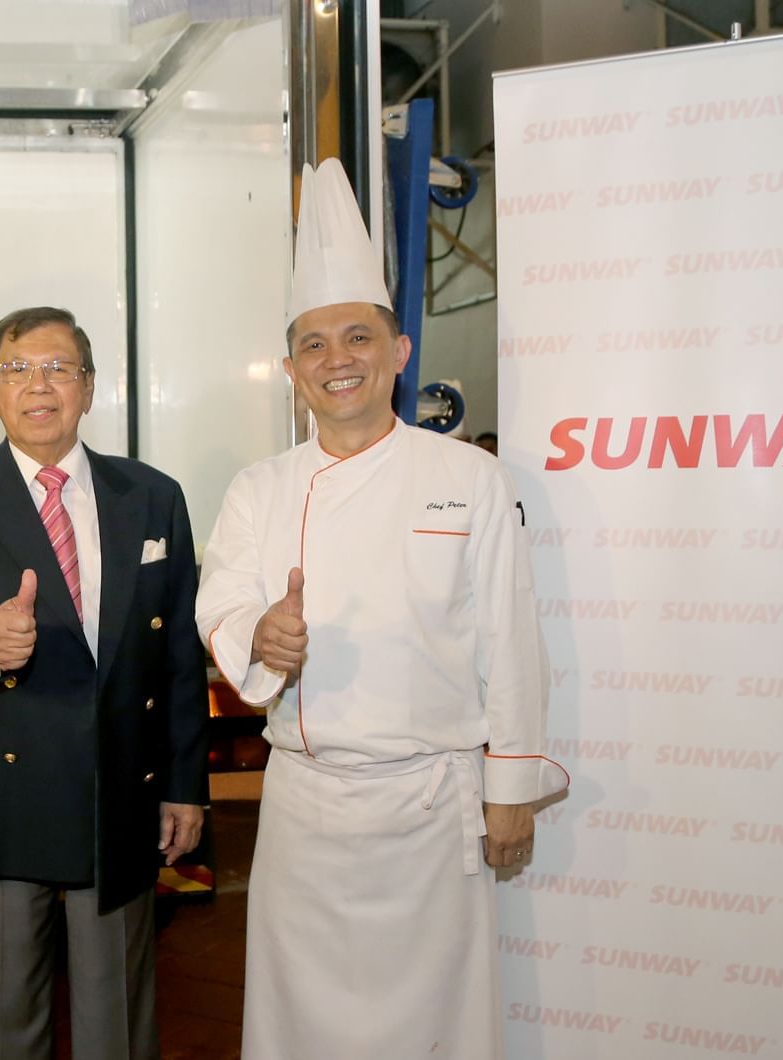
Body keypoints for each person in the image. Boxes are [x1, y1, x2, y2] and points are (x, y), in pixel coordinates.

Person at [196, 159, 569, 1059]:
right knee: (301, 1025)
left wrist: (510, 790)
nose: (339, 361)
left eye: (358, 337)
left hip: (434, 804)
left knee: (436, 1023)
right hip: (305, 812)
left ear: (399, 351)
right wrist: (263, 637)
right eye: (315, 345)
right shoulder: (260, 487)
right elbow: (225, 602)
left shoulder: (470, 479)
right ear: (291, 369)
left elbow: (510, 641)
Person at [0, 307, 207, 1060]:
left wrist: (184, 785)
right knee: (8, 1018)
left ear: (89, 387)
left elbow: (176, 653)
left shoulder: (152, 495)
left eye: (58, 368)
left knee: (118, 1015)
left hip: (121, 786)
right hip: (9, 787)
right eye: (17, 370)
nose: (38, 385)